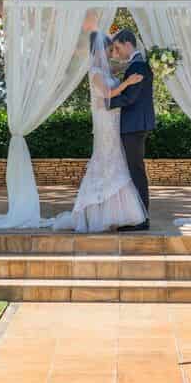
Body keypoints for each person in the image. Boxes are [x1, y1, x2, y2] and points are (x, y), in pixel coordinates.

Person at [50, 22, 148, 233]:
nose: (111, 53)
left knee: (118, 165)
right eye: (109, 49)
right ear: (100, 50)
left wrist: (126, 77)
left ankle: (117, 213)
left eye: (113, 49)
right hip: (105, 124)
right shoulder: (94, 72)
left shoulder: (106, 71)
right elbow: (106, 94)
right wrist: (127, 83)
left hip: (114, 123)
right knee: (105, 163)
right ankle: (96, 213)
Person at [106, 26, 154, 230]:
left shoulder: (137, 66)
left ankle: (142, 219)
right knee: (134, 170)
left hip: (134, 125)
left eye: (118, 47)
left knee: (136, 171)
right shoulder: (136, 64)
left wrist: (107, 103)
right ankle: (137, 215)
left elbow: (130, 97)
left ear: (128, 44)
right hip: (136, 124)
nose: (118, 52)